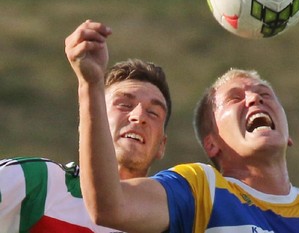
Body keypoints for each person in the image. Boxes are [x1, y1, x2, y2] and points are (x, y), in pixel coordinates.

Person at [66, 20, 299, 233]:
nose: (253, 99)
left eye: (264, 95)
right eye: (236, 98)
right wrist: (90, 85)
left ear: (288, 136)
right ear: (211, 143)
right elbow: (110, 208)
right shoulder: (201, 189)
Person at [0, 21, 172, 232]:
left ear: (162, 144)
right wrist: (89, 84)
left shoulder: (174, 219)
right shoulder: (37, 182)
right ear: (92, 119)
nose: (138, 116)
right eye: (124, 105)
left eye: (153, 113)